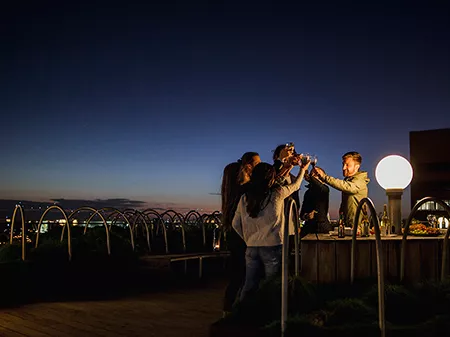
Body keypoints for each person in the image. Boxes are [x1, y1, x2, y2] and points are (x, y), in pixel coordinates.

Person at [232, 159, 310, 301]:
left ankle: (241, 313)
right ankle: (271, 315)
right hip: (273, 247)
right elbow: (296, 185)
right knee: (272, 284)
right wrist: (303, 169)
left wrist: (248, 238)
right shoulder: (277, 193)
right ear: (271, 178)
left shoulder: (245, 198)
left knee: (249, 284)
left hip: (251, 247)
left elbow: (235, 224)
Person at [220, 152, 261, 316]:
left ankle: (228, 310)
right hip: (241, 238)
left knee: (238, 276)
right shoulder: (244, 191)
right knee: (242, 275)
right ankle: (235, 311)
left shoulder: (231, 195)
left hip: (234, 237)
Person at [312, 151, 370, 229]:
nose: (343, 168)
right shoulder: (349, 180)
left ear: (357, 167)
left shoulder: (359, 181)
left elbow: (347, 187)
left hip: (356, 228)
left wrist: (325, 177)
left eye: (347, 165)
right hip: (349, 226)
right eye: (343, 164)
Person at [299, 170, 331, 236]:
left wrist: (310, 177)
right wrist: (306, 216)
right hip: (308, 229)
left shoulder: (325, 189)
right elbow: (302, 214)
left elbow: (320, 187)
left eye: (316, 174)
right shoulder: (307, 192)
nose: (313, 176)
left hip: (322, 229)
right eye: (311, 174)